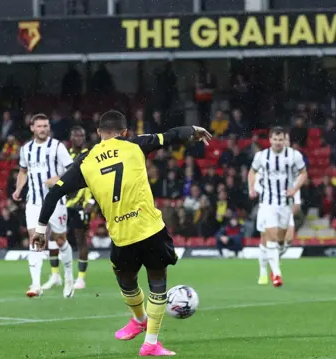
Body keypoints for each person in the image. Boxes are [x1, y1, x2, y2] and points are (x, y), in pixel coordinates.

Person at [30, 110, 211, 356]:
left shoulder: (86, 161)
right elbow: (170, 136)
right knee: (157, 285)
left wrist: (40, 230)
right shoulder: (135, 145)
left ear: (98, 133)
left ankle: (139, 320)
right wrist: (193, 131)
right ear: (124, 132)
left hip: (121, 236)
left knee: (127, 283)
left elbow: (54, 194)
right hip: (150, 230)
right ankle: (149, 341)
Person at [13, 113, 75, 298]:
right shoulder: (26, 149)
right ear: (32, 128)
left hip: (56, 200)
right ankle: (35, 285)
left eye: (45, 126)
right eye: (39, 126)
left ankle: (69, 278)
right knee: (36, 238)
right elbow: (23, 171)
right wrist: (18, 189)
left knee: (60, 239)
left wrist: (57, 179)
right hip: (34, 201)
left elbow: (71, 169)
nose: (43, 129)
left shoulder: (57, 146)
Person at [248, 127, 307, 287]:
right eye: (276, 139)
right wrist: (251, 189)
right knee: (268, 238)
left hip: (285, 204)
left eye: (281, 140)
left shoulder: (293, 156)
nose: (279, 142)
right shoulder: (262, 157)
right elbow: (252, 173)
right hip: (266, 203)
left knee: (282, 240)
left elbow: (303, 173)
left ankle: (273, 265)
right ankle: (270, 273)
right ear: (270, 139)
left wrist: (294, 190)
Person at [64, 126, 95, 289]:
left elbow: (95, 178)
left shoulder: (90, 155)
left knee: (80, 239)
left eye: (81, 135)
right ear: (71, 137)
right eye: (75, 135)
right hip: (63, 203)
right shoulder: (64, 154)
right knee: (58, 238)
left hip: (81, 204)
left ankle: (81, 277)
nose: (78, 138)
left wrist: (92, 202)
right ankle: (58, 274)